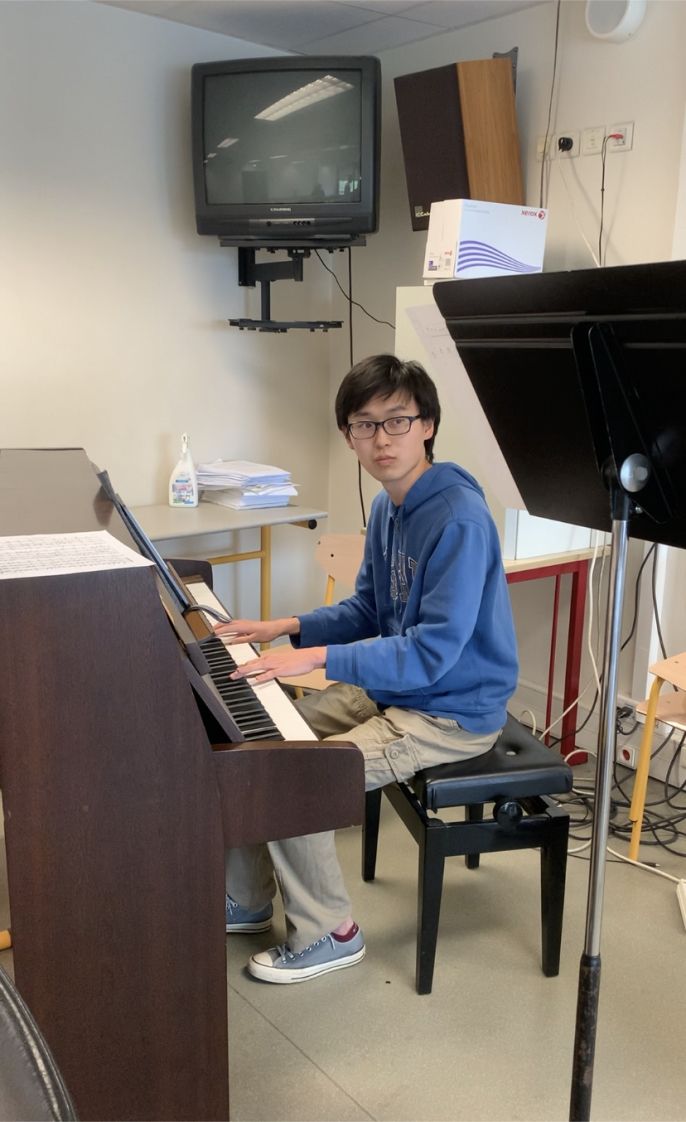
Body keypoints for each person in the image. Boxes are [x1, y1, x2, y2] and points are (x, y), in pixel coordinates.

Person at [217, 353, 518, 984]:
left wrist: (317, 657)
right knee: (255, 740)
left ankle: (332, 932)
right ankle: (247, 900)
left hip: (450, 711)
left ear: (428, 425)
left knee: (295, 783)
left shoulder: (460, 518)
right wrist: (285, 626)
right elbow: (366, 609)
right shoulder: (387, 508)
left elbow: (434, 651)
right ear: (348, 433)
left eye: (397, 421)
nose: (381, 440)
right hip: (395, 690)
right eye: (364, 424)